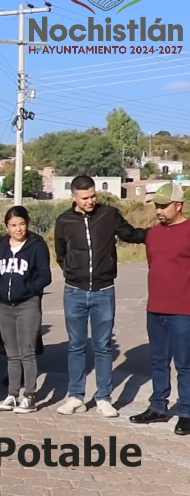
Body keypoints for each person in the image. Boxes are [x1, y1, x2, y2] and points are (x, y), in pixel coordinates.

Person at [54, 175, 147, 418]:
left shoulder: (109, 214)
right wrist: (73, 273)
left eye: (93, 196)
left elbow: (130, 234)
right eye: (85, 197)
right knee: (76, 346)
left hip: (104, 291)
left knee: (103, 346)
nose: (91, 201)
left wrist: (159, 233)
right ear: (73, 197)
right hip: (74, 291)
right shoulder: (64, 221)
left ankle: (104, 397)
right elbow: (61, 253)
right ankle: (76, 396)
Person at [129, 183, 190, 436]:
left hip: (184, 311)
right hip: (155, 308)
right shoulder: (153, 234)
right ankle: (158, 407)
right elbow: (155, 264)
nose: (159, 211)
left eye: (164, 206)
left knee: (185, 364)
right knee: (158, 361)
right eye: (157, 206)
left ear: (179, 205)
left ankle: (186, 411)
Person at [0, 206, 52, 414]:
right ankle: (12, 394)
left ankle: (30, 396)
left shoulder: (36, 246)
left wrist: (28, 289)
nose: (18, 229)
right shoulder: (1, 247)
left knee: (27, 351)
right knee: (12, 353)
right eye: (13, 225)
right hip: (5, 306)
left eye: (21, 224)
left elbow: (45, 275)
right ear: (7, 227)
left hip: (28, 304)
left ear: (28, 223)